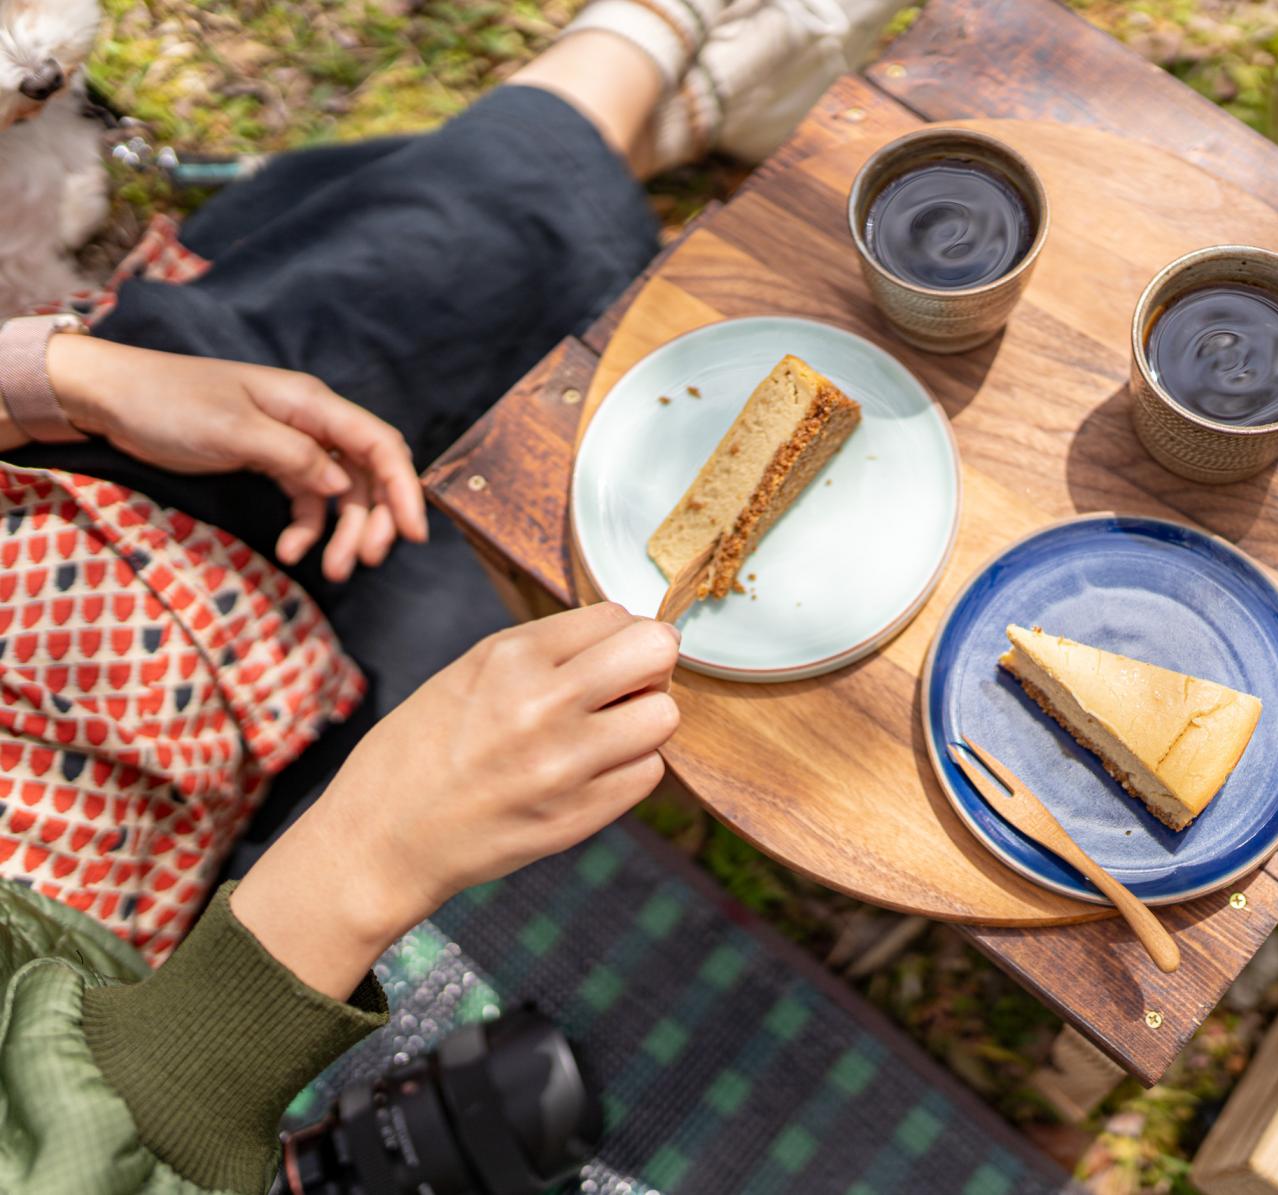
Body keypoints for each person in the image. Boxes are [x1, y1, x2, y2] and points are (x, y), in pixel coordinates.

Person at [0, 1, 902, 1191]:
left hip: (53, 520)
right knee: (508, 611)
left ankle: (639, 67)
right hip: (170, 844)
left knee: (407, 268)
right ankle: (665, 84)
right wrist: (368, 850)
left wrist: (57, 376)